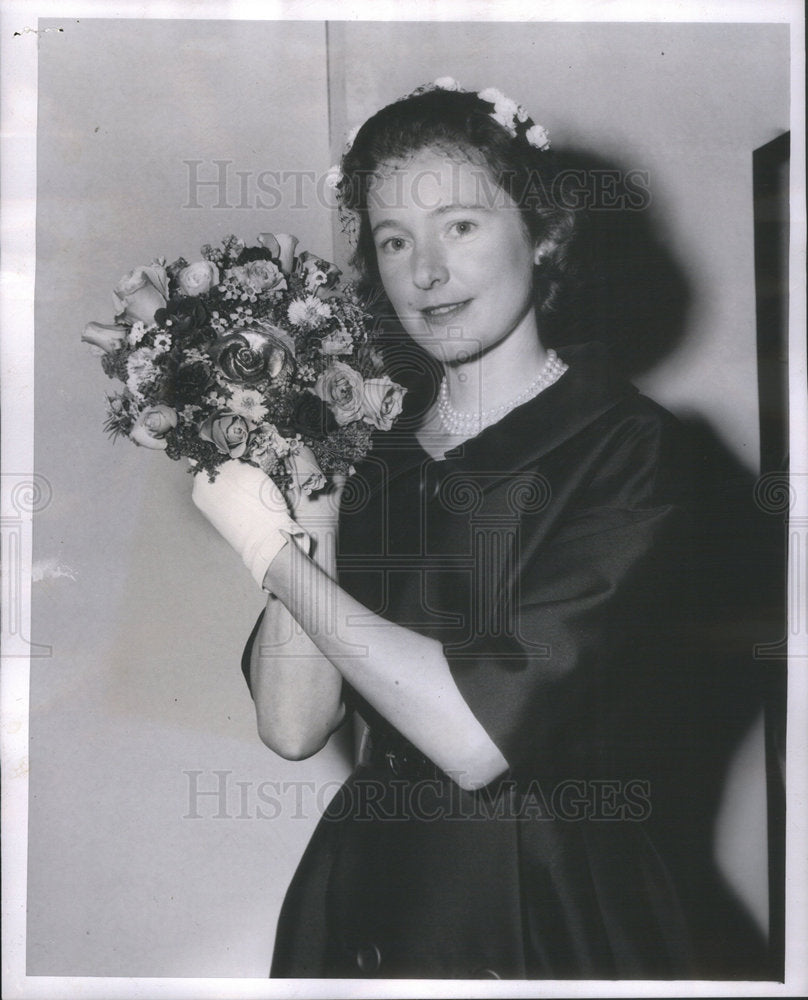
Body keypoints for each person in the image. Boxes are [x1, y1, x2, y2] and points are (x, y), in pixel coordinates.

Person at [193, 80, 768, 979]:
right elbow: (293, 726)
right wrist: (307, 513)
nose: (425, 272)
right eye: (394, 240)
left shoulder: (630, 447)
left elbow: (473, 740)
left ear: (543, 234)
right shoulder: (373, 454)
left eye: (459, 225)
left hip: (538, 905)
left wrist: (267, 552)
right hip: (368, 900)